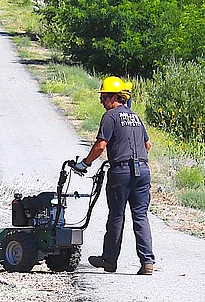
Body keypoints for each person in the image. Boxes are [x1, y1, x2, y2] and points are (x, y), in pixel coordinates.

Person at [71, 76, 155, 275]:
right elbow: (147, 145)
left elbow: (101, 145)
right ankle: (147, 262)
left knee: (116, 216)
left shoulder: (110, 116)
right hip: (143, 171)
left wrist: (85, 163)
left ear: (114, 97)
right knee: (140, 216)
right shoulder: (135, 117)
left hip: (122, 172)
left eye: (104, 97)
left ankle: (109, 261)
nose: (101, 101)